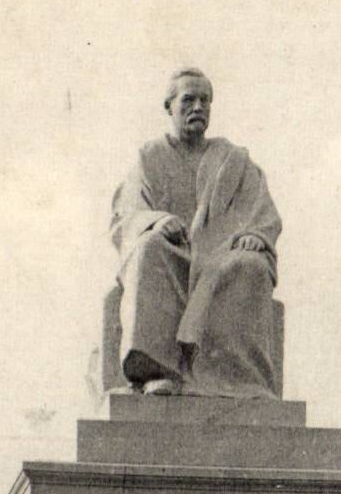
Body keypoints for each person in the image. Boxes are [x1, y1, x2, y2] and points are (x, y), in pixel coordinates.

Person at [111, 68, 281, 397]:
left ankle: (234, 379)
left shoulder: (234, 160)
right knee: (149, 247)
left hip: (222, 255)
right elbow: (127, 213)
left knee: (252, 265)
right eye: (188, 100)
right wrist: (156, 221)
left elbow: (262, 212)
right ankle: (159, 371)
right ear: (169, 106)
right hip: (172, 252)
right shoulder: (149, 157)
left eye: (205, 101)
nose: (198, 107)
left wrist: (255, 235)